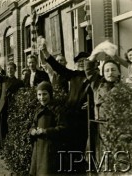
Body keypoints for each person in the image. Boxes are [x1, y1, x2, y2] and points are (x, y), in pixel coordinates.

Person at [40, 42, 94, 173]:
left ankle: (81, 170)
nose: (82, 63)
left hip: (84, 119)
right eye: (79, 61)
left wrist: (91, 104)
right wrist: (46, 53)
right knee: (70, 147)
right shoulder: (74, 75)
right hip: (70, 116)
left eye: (85, 60)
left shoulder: (93, 78)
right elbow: (58, 68)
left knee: (83, 148)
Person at [29, 81, 69, 175]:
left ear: (50, 94)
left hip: (50, 150)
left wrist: (46, 131)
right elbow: (33, 125)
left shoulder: (57, 109)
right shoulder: (38, 109)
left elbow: (63, 128)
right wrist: (32, 131)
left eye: (44, 94)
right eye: (39, 95)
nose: (42, 98)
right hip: (38, 150)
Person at [0, 61, 24, 148]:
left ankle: (11, 147)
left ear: (15, 70)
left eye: (11, 69)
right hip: (2, 107)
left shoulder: (19, 82)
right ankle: (2, 147)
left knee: (11, 127)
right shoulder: (3, 79)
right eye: (8, 69)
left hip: (13, 107)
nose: (10, 70)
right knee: (2, 128)